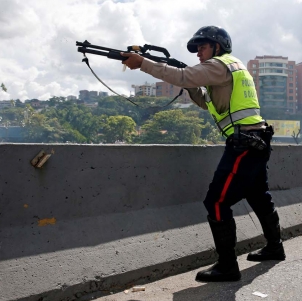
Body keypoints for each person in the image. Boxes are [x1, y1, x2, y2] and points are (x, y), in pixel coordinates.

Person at [121, 26, 285, 282]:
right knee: (258, 195)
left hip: (244, 143)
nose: (199, 53)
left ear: (217, 47)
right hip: (256, 139)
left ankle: (228, 266)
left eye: (203, 47)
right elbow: (209, 102)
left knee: (216, 202)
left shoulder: (219, 65)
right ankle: (275, 247)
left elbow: (183, 76)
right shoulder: (232, 67)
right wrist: (191, 85)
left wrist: (143, 63)